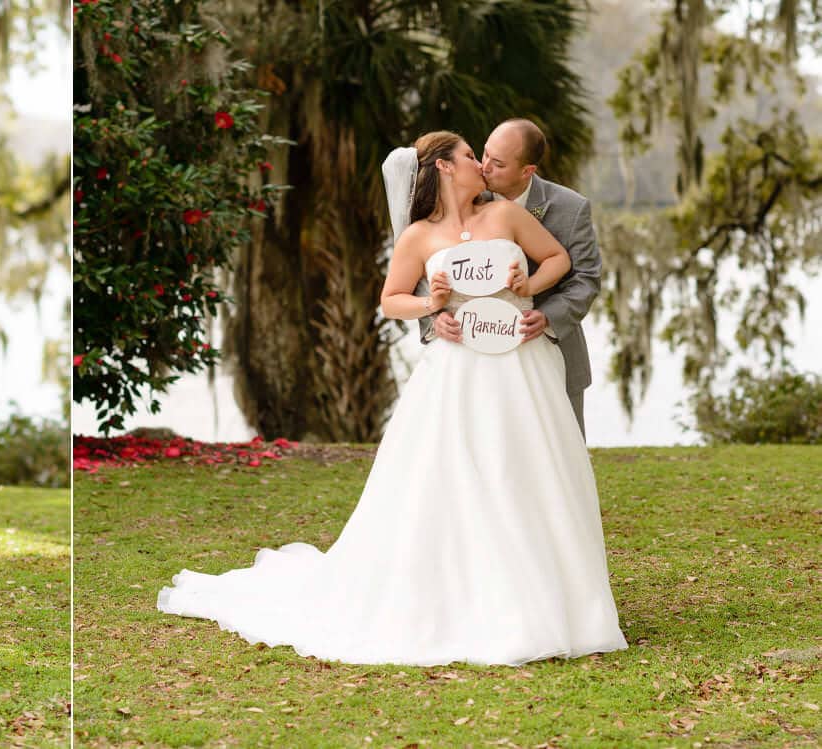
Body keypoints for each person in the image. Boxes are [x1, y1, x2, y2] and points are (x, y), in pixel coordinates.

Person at [156, 131, 627, 667]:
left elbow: (560, 259)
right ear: (446, 168)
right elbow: (391, 300)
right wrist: (433, 306)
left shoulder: (507, 218)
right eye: (472, 156)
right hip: (457, 368)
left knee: (528, 472)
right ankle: (465, 598)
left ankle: (555, 603)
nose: (482, 165)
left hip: (520, 363)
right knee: (455, 477)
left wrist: (528, 281)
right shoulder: (419, 237)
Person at [422, 118, 602, 437]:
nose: (485, 167)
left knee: (560, 452)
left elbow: (586, 280)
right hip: (477, 359)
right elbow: (426, 263)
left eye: (499, 163)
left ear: (526, 171)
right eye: (485, 154)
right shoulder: (465, 198)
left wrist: (547, 318)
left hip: (552, 350)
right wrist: (434, 316)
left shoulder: (570, 209)